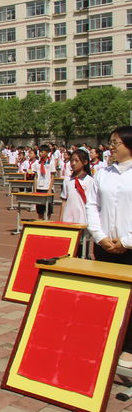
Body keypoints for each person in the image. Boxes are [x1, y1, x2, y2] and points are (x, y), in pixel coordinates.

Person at [85, 126, 132, 368]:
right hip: (104, 245)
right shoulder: (103, 173)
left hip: (129, 248)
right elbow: (92, 206)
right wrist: (100, 236)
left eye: (116, 143)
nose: (111, 147)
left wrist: (126, 241)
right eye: (110, 142)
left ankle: (129, 347)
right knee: (105, 293)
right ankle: (103, 339)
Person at [60, 149, 96, 224]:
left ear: (85, 162)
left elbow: (92, 204)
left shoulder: (90, 181)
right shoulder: (67, 180)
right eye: (71, 161)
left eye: (76, 161)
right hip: (68, 219)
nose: (73, 163)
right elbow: (64, 201)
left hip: (83, 220)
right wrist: (61, 220)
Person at [33, 144, 55, 220]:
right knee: (40, 209)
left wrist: (49, 189)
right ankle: (40, 222)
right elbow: (35, 176)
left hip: (47, 188)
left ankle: (47, 222)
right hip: (39, 187)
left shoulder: (51, 162)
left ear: (47, 152)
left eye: (42, 152)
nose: (40, 153)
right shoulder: (37, 163)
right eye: (39, 152)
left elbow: (52, 176)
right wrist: (35, 188)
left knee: (48, 209)